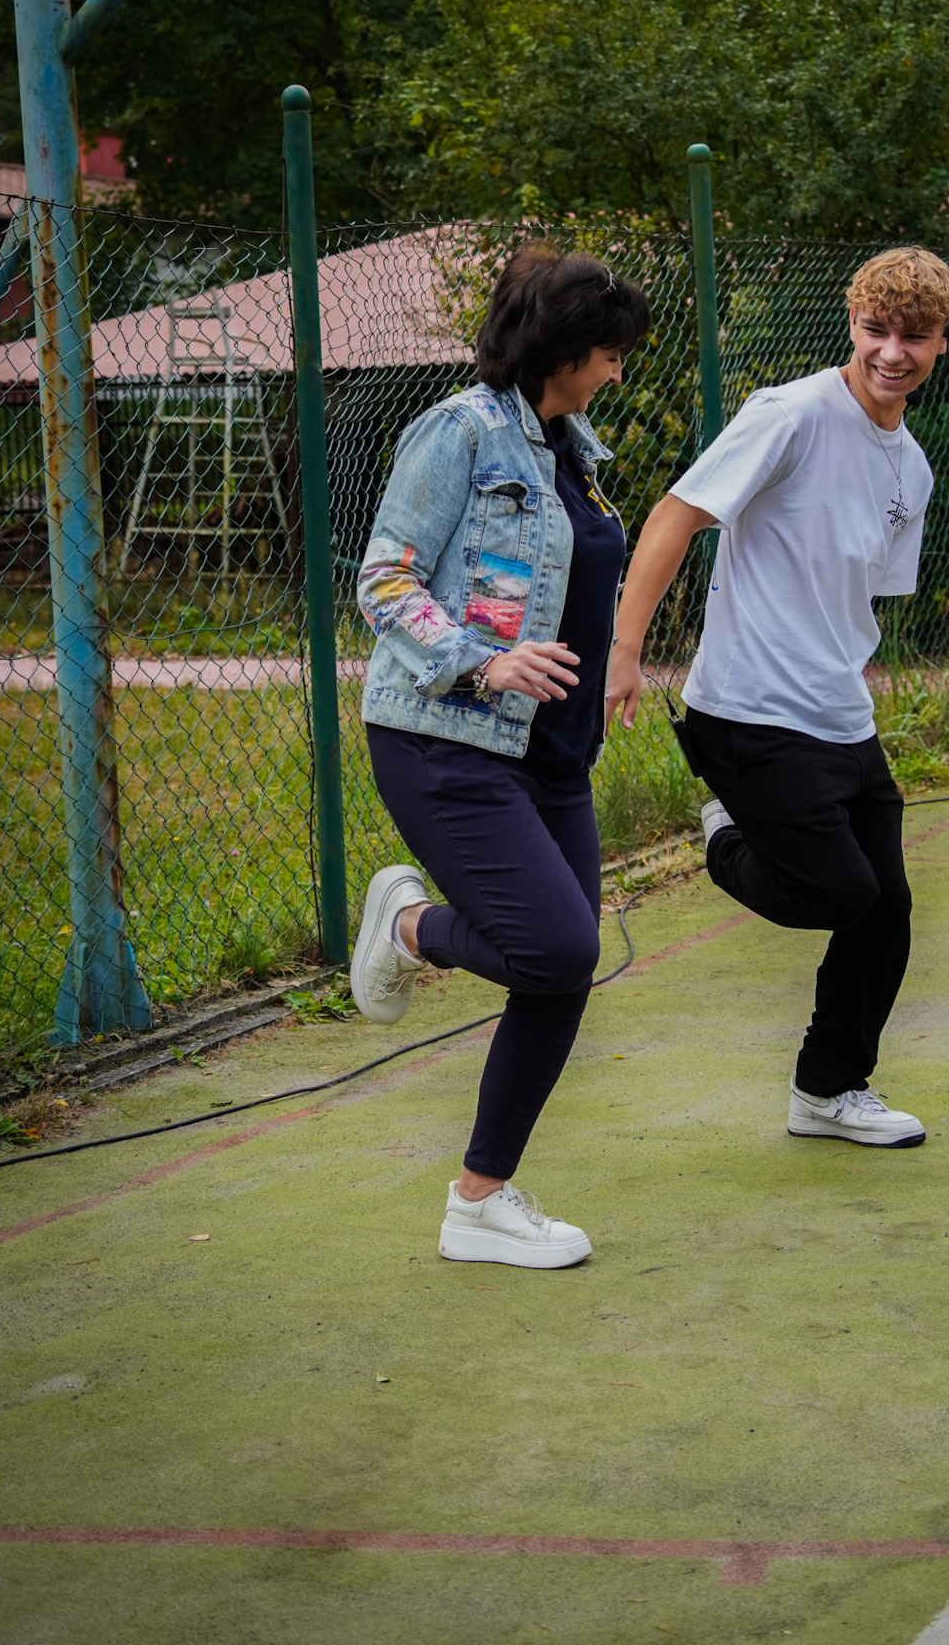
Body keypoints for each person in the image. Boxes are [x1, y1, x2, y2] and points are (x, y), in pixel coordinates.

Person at [605, 246, 949, 1149]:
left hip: (840, 717)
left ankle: (827, 1091)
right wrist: (624, 648)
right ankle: (726, 833)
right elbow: (676, 514)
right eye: (876, 330)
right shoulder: (790, 414)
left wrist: (850, 687)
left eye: (914, 337)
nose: (891, 353)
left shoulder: (911, 466)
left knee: (886, 911)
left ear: (941, 344)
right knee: (836, 892)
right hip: (747, 709)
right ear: (853, 324)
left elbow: (854, 595)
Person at [350, 241, 650, 1269]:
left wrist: (611, 661)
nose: (617, 370)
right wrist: (482, 659)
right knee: (558, 949)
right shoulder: (461, 432)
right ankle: (409, 925)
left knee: (563, 973)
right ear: (563, 349)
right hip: (448, 738)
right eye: (609, 352)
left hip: (551, 749)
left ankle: (478, 1201)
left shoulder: (573, 448)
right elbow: (384, 580)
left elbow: (572, 581)